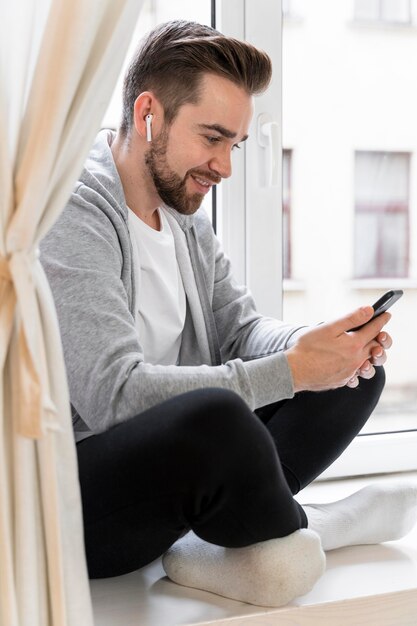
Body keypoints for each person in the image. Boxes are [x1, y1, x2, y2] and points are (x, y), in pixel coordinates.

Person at [40, 20, 417, 608]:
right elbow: (115, 395)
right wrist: (293, 369)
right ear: (148, 115)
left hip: (177, 473)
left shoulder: (184, 215)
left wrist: (317, 345)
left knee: (353, 379)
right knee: (217, 414)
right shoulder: (74, 211)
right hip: (86, 507)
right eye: (212, 138)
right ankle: (311, 525)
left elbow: (239, 331)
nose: (225, 167)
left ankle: (239, 538)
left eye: (234, 145)